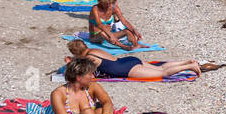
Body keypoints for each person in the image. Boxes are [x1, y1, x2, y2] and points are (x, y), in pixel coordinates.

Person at [65, 39, 202, 81]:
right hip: (128, 61)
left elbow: (83, 72)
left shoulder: (89, 58)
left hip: (126, 69)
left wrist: (70, 63)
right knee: (160, 67)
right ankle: (186, 62)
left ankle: (189, 67)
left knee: (163, 73)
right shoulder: (93, 50)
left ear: (76, 53)